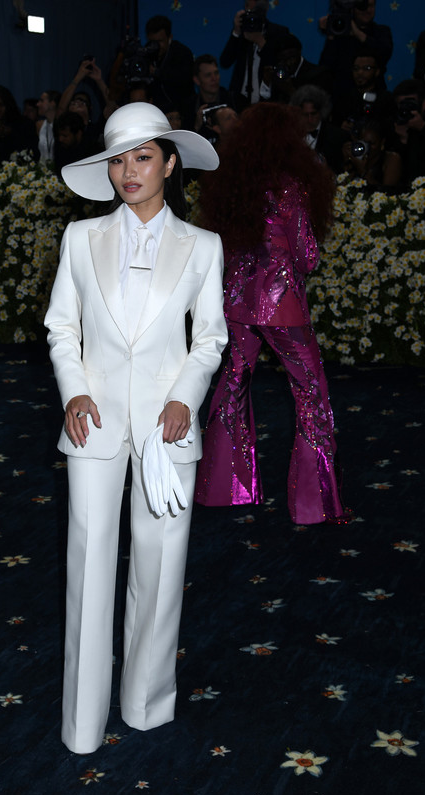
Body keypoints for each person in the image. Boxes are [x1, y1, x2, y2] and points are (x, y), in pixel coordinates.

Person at [44, 102, 227, 754]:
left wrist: (184, 398)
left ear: (170, 163)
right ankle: (81, 725)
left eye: (142, 157)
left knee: (159, 563)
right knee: (88, 566)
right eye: (118, 159)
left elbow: (210, 339)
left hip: (166, 427)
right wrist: (75, 391)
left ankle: (147, 704)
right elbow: (61, 327)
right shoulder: (80, 239)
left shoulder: (202, 247)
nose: (128, 171)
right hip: (92, 423)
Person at [194, 103, 351, 526]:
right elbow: (309, 257)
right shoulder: (292, 187)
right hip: (284, 309)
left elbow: (223, 249)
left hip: (238, 304)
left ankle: (224, 490)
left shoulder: (234, 186)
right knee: (311, 395)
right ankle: (314, 505)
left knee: (231, 387)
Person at [220, 0, 289, 107]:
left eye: (255, 9)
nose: (251, 13)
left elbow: (280, 70)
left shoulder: (279, 32)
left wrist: (261, 42)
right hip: (240, 100)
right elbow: (225, 61)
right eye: (247, 6)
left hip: (267, 102)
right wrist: (236, 32)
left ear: (265, 9)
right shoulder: (242, 32)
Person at [319, 0, 393, 97]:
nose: (367, 10)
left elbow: (384, 53)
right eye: (362, 7)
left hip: (374, 95)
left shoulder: (381, 31)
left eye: (371, 6)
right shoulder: (340, 34)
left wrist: (357, 33)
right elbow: (326, 66)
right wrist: (331, 33)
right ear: (352, 9)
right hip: (342, 96)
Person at [290, 84, 347, 173]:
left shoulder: (338, 136)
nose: (309, 119)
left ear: (321, 111)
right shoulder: (290, 135)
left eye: (313, 114)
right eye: (305, 115)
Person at [0, 85, 39, 165]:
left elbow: (32, 152)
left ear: (8, 104)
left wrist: (12, 132)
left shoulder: (25, 124)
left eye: (1, 105)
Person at [145, 15, 195, 113]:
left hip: (181, 111)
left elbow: (183, 79)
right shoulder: (145, 52)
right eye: (152, 41)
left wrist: (156, 72)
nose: (156, 46)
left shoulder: (182, 53)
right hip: (155, 111)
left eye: (160, 41)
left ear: (170, 38)